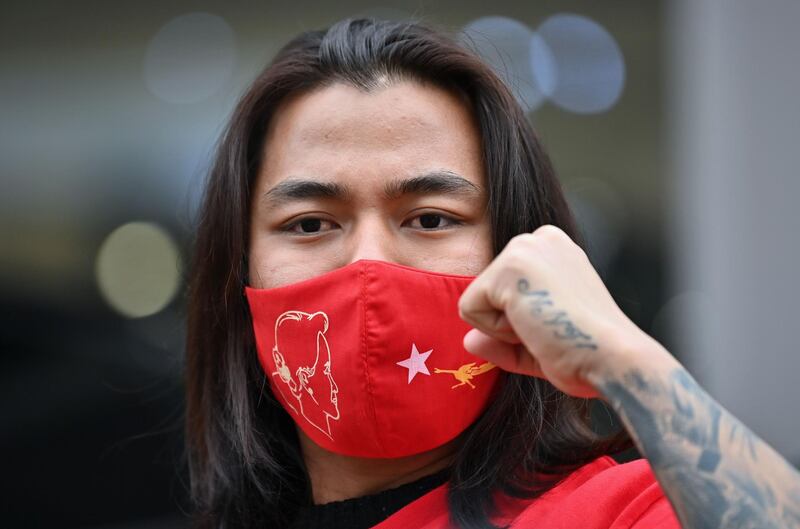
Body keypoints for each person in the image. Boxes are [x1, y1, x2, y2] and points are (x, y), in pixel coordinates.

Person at [184, 17, 800, 529]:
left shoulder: (622, 513)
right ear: (240, 274)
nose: (368, 263)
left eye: (430, 218)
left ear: (517, 253)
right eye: (310, 224)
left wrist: (628, 360)